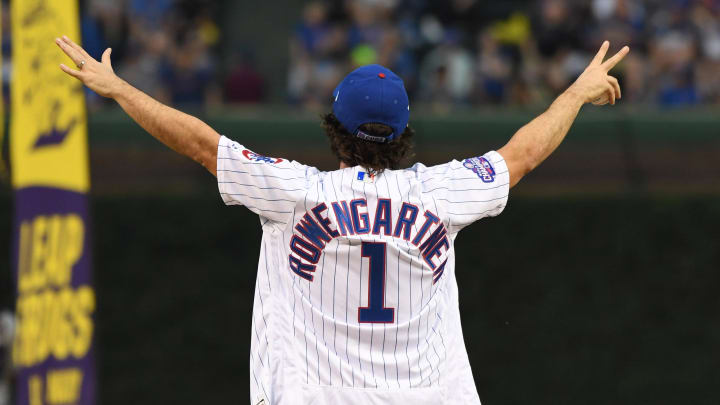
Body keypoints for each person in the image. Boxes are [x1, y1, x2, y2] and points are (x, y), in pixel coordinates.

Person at [55, 35, 628, 405]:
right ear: (403, 136)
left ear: (334, 128)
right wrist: (575, 93)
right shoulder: (438, 193)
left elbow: (202, 143)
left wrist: (118, 89)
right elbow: (522, 154)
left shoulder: (295, 192)